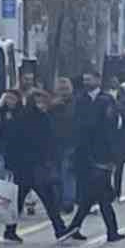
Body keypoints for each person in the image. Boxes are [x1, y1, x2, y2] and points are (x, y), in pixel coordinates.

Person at [0, 89, 72, 244]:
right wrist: (50, 159)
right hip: (35, 166)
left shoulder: (21, 117)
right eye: (41, 102)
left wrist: (11, 164)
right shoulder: (40, 118)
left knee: (19, 200)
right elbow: (48, 142)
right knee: (48, 199)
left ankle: (10, 231)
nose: (44, 105)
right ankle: (60, 230)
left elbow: (11, 142)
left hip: (23, 167)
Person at [71, 71, 125, 243]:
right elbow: (76, 125)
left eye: (90, 79)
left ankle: (76, 227)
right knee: (96, 195)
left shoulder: (106, 100)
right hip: (84, 154)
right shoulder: (80, 100)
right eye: (85, 79)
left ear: (98, 80)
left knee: (97, 195)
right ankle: (110, 231)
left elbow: (112, 127)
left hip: (101, 155)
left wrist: (111, 156)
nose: (86, 82)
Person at [50, 76, 79, 213]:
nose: (63, 91)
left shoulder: (77, 103)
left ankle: (68, 202)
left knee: (67, 173)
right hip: (54, 144)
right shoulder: (51, 104)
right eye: (61, 89)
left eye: (66, 88)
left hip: (71, 143)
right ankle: (58, 201)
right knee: (55, 175)